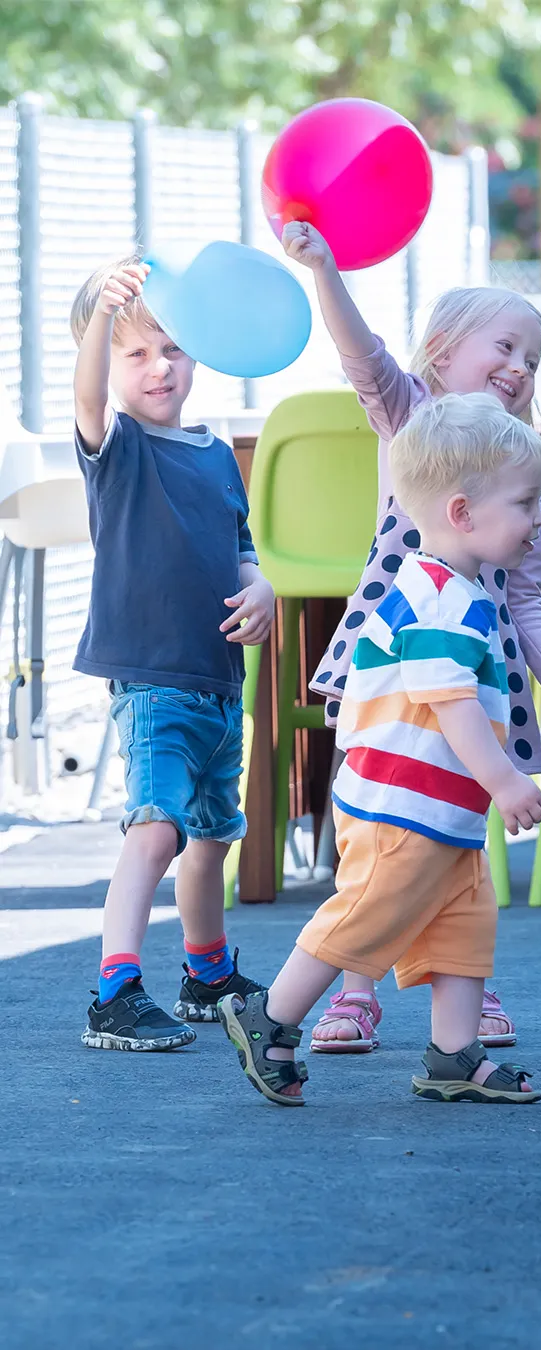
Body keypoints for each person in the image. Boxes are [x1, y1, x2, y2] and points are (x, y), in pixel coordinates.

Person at [280, 221, 541, 1054]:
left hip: (477, 678)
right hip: (398, 671)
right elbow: (364, 359)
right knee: (387, 828)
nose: (519, 366)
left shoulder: (517, 476)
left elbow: (529, 601)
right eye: (505, 344)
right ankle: (355, 990)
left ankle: (466, 984)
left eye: (531, 359)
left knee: (458, 827)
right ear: (440, 353)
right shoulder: (415, 425)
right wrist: (324, 267)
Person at [220, 393, 541, 1106]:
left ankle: (455, 1054)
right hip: (402, 807)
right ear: (463, 513)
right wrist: (504, 780)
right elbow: (450, 702)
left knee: (464, 926)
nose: (539, 518)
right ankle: (269, 1018)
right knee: (367, 915)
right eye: (527, 502)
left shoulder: (459, 590)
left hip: (442, 813)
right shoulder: (440, 598)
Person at [70, 258, 273, 1051]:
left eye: (173, 350)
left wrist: (261, 587)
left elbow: (240, 544)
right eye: (136, 353)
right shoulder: (116, 447)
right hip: (154, 680)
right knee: (157, 828)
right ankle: (114, 990)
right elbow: (85, 399)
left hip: (221, 682)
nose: (159, 367)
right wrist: (99, 323)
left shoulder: (216, 452)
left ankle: (207, 971)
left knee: (215, 834)